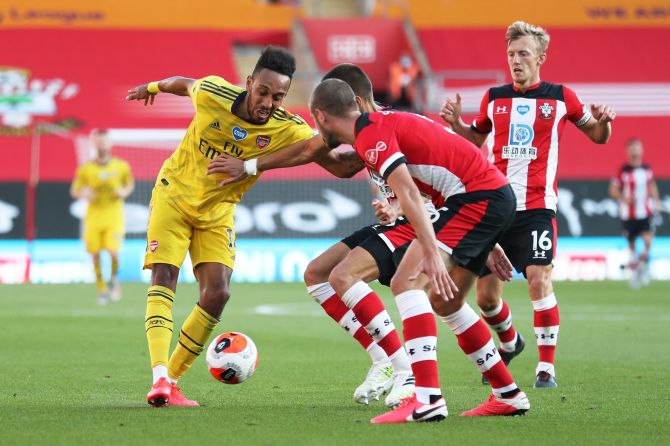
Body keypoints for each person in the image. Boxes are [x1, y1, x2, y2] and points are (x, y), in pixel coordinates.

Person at [310, 78, 530, 423]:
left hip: (476, 199)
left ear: (321, 116)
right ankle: (507, 394)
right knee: (445, 301)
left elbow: (409, 193)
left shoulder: (370, 134)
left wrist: (429, 251)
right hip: (487, 199)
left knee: (407, 281)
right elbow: (446, 169)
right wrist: (489, 237)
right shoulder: (384, 124)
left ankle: (425, 398)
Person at [125, 46, 332, 407]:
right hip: (173, 195)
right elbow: (181, 83)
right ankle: (159, 377)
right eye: (263, 92)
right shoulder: (212, 92)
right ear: (250, 82)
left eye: (278, 97)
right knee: (164, 276)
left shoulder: (287, 127)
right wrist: (153, 88)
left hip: (218, 211)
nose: (268, 102)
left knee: (218, 294)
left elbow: (324, 153)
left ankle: (170, 382)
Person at [440, 21, 616, 388]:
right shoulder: (494, 97)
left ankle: (546, 368)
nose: (515, 60)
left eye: (523, 54)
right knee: (487, 298)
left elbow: (598, 137)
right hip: (495, 205)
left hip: (537, 206)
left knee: (539, 278)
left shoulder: (562, 96)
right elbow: (476, 139)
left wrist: (604, 124)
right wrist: (457, 124)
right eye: (511, 54)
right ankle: (510, 341)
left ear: (541, 58)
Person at [70, 128, 134, 305]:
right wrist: (84, 195)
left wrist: (123, 192)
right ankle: (102, 289)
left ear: (110, 143)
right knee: (95, 255)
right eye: (98, 141)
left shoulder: (121, 166)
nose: (102, 145)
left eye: (104, 141)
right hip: (94, 217)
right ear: (93, 144)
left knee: (114, 253)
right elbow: (75, 190)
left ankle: (113, 280)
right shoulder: (86, 169)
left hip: (113, 216)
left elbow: (129, 185)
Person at [609, 138, 660, 288]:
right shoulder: (623, 170)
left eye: (638, 147)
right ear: (628, 151)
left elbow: (652, 185)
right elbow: (612, 190)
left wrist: (656, 201)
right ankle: (635, 271)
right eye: (632, 148)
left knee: (648, 240)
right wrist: (624, 198)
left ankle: (643, 265)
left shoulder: (647, 169)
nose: (635, 150)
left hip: (644, 213)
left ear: (642, 150)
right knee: (632, 245)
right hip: (628, 215)